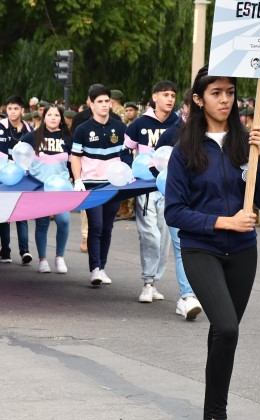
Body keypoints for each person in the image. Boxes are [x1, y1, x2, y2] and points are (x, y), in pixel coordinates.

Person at [164, 65, 260, 420]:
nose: (225, 99)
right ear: (199, 100)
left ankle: (212, 411)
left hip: (244, 251)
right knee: (227, 326)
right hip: (202, 249)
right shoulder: (184, 150)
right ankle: (217, 413)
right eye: (216, 93)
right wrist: (222, 221)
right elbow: (174, 212)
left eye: (230, 92)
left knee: (223, 332)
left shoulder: (247, 143)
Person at [125, 80, 179, 302]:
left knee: (164, 236)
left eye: (173, 96)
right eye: (165, 94)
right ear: (154, 97)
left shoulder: (180, 125)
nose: (169, 99)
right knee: (150, 234)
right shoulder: (139, 124)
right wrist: (131, 173)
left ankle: (154, 280)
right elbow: (125, 152)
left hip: (171, 187)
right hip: (146, 187)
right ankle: (147, 282)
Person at [71, 84, 128, 286]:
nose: (104, 105)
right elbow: (75, 157)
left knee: (107, 227)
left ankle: (102, 267)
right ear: (91, 104)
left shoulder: (120, 127)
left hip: (113, 186)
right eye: (100, 102)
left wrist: (127, 174)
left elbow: (126, 154)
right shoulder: (82, 129)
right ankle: (94, 268)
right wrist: (78, 180)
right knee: (95, 226)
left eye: (107, 101)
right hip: (91, 185)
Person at [154, 89, 203, 319]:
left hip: (206, 200)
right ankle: (187, 296)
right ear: (186, 107)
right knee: (181, 245)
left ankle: (202, 291)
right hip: (178, 199)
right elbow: (155, 164)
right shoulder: (171, 134)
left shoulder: (215, 133)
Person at [0, 95, 33, 264]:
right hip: (2, 177)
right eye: (10, 109)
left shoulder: (28, 129)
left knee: (22, 215)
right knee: (5, 215)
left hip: (22, 177)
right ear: (6, 110)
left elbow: (34, 152)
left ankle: (25, 251)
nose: (12, 112)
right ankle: (6, 251)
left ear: (22, 111)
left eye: (16, 109)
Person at [21, 106, 71, 274]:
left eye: (57, 115)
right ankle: (42, 259)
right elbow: (19, 155)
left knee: (63, 221)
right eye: (49, 114)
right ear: (44, 117)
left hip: (61, 188)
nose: (53, 118)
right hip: (39, 186)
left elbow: (74, 162)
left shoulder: (68, 138)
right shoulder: (32, 137)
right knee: (41, 223)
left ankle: (60, 257)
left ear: (61, 118)